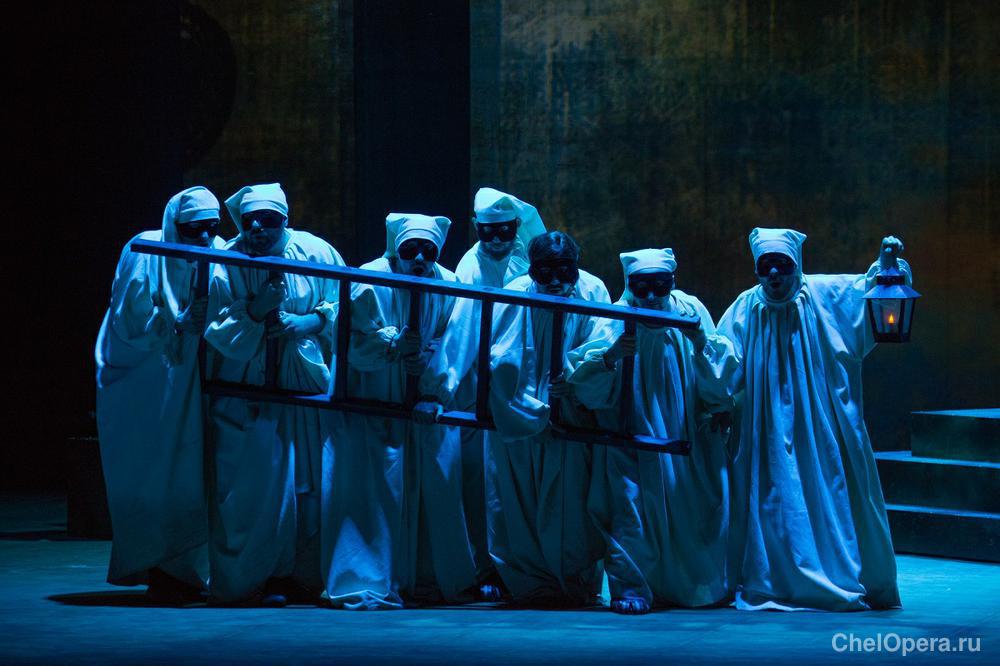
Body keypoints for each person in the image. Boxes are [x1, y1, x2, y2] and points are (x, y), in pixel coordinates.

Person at [717, 228, 908, 611]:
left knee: (829, 492)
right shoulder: (746, 307)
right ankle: (776, 579)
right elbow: (724, 362)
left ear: (796, 265)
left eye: (782, 264)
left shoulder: (822, 295)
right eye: (766, 266)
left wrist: (887, 267)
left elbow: (867, 293)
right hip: (766, 427)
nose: (774, 274)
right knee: (773, 499)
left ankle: (832, 572)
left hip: (821, 426)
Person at [568, 248, 736, 614]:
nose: (649, 297)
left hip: (684, 432)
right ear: (629, 286)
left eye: (659, 287)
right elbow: (586, 388)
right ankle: (632, 587)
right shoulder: (615, 319)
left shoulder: (688, 310)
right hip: (630, 432)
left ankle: (691, 585)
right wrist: (611, 356)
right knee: (630, 507)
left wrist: (698, 342)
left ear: (672, 283)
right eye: (640, 288)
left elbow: (721, 374)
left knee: (689, 508)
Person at [323, 213, 478, 609]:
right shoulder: (370, 280)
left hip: (427, 400)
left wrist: (433, 380)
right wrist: (389, 346)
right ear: (396, 249)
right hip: (375, 395)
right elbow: (349, 340)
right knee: (375, 486)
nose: (420, 259)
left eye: (428, 250)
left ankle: (428, 575)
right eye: (411, 250)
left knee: (434, 484)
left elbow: (457, 340)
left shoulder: (449, 283)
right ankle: (369, 575)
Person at [204, 183, 345, 606]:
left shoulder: (315, 252)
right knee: (253, 487)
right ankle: (254, 576)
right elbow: (216, 326)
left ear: (285, 220)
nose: (258, 228)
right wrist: (255, 311)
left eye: (268, 220)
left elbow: (346, 300)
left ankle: (301, 575)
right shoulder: (227, 260)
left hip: (303, 385)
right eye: (250, 221)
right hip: (248, 388)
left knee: (307, 485)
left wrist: (311, 323)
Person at [414, 188, 546, 598]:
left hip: (527, 381)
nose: (497, 240)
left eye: (505, 230)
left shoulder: (528, 258)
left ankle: (531, 566)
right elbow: (463, 331)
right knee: (481, 480)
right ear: (477, 229)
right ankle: (488, 566)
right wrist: (440, 388)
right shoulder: (473, 266)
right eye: (488, 232)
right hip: (477, 384)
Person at [95, 186, 224, 604]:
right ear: (175, 225)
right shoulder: (147, 250)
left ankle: (186, 569)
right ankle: (157, 563)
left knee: (190, 468)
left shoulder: (218, 252)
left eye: (211, 228)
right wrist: (177, 323)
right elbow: (128, 321)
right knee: (153, 470)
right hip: (147, 383)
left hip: (189, 381)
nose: (204, 238)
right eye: (193, 229)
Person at [486, 230, 611, 606]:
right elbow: (500, 357)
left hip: (574, 414)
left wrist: (574, 381)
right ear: (532, 269)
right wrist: (532, 406)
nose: (555, 281)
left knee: (572, 498)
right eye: (546, 272)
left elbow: (602, 344)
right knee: (520, 497)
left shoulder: (592, 291)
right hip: (521, 417)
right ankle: (530, 581)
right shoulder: (516, 292)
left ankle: (575, 580)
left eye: (564, 271)